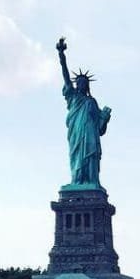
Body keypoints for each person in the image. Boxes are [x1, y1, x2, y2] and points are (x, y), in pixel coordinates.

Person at [56, 37, 112, 186]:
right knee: (77, 158)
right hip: (76, 134)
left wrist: (105, 118)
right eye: (79, 82)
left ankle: (92, 181)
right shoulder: (72, 97)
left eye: (84, 83)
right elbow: (66, 76)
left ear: (87, 86)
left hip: (91, 135)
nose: (81, 84)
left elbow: (100, 128)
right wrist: (61, 54)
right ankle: (77, 180)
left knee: (91, 156)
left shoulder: (92, 102)